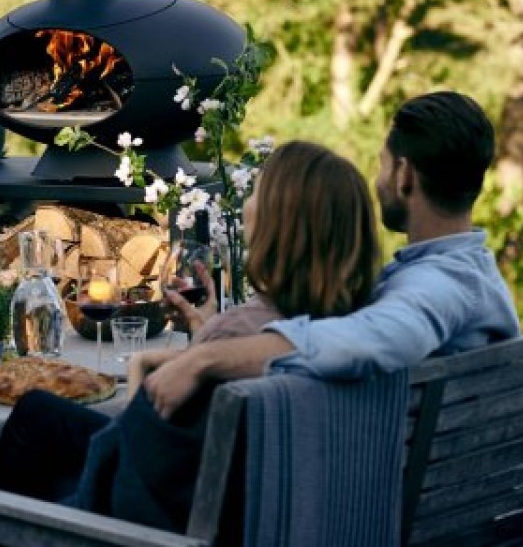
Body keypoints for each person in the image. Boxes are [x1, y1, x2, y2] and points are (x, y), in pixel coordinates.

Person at [0, 140, 382, 530]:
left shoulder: (237, 336)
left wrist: (177, 354)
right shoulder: (350, 331)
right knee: (41, 412)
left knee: (32, 423)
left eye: (258, 192)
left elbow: (141, 455)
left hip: (151, 524)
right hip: (261, 505)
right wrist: (207, 331)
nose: (246, 205)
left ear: (282, 225)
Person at [142, 91, 519, 420]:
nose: (379, 180)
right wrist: (211, 328)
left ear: (404, 175)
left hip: (378, 495)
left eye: (383, 164)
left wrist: (204, 358)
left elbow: (365, 342)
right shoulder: (466, 274)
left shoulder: (440, 286)